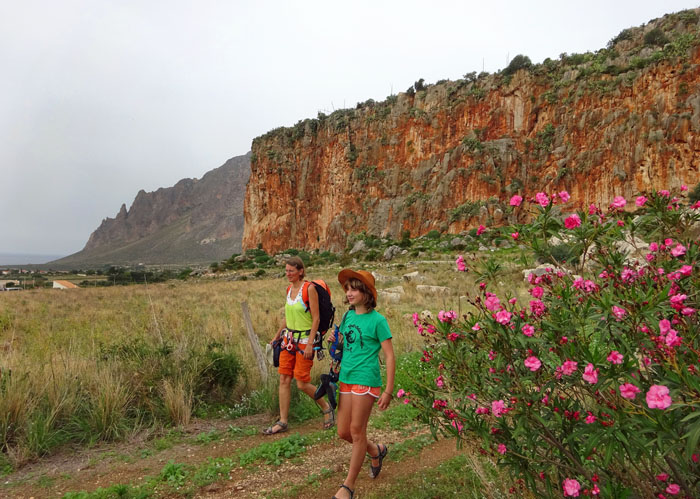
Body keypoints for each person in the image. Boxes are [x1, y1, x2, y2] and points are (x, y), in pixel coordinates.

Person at [330, 269, 395, 499]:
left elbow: (389, 355)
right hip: (346, 378)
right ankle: (376, 450)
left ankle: (348, 486)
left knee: (357, 431)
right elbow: (346, 342)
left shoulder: (378, 321)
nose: (349, 293)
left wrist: (388, 389)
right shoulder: (348, 316)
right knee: (343, 431)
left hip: (365, 380)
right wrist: (335, 340)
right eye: (347, 288)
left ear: (366, 293)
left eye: (354, 288)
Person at [263, 256, 334, 435]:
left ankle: (326, 407)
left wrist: (311, 344)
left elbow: (316, 318)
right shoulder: (289, 289)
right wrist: (277, 336)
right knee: (284, 379)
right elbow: (287, 316)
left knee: (302, 383)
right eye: (286, 271)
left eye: (291, 271)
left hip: (304, 341)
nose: (288, 274)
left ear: (300, 271)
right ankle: (283, 421)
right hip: (288, 340)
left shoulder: (309, 289)